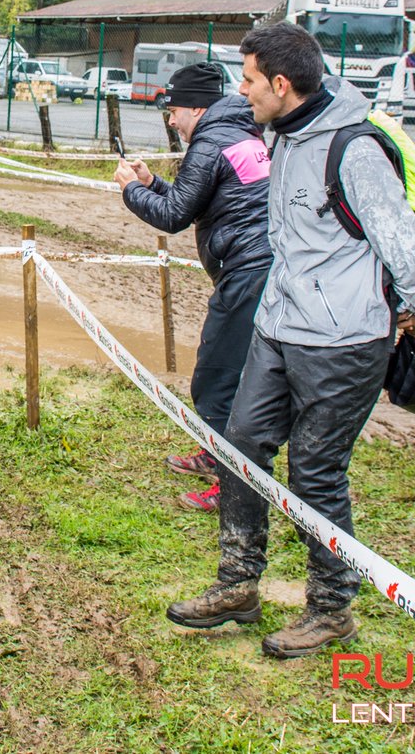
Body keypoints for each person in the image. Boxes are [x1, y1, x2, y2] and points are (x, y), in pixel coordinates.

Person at [164, 22, 415, 658]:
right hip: (277, 328)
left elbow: (407, 250)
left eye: (250, 80)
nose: (241, 91)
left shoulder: (355, 150)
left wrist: (414, 312)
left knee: (315, 472)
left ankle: (330, 609)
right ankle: (238, 583)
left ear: (282, 84)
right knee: (240, 448)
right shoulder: (281, 131)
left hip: (343, 343)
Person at [113, 62, 272, 512]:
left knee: (215, 382)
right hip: (260, 270)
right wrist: (150, 182)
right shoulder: (238, 134)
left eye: (174, 110)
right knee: (235, 376)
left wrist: (129, 190)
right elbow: (194, 200)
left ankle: (232, 486)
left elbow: (173, 217)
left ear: (197, 109)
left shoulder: (210, 142)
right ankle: (215, 454)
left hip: (248, 273)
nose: (171, 121)